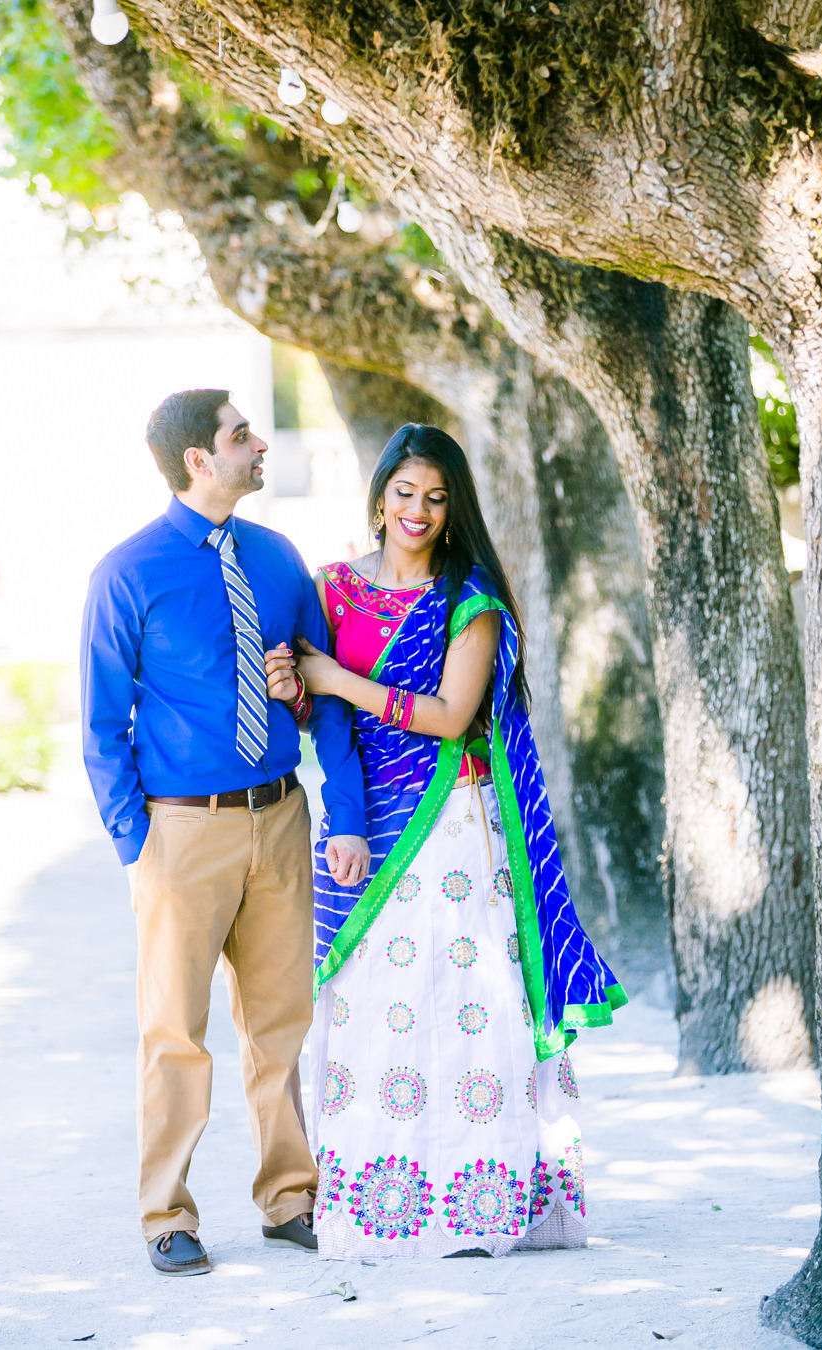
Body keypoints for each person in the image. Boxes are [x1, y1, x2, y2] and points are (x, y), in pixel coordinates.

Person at [266, 423, 626, 1259]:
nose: (418, 511)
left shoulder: (471, 602)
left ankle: (478, 1207)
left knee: (465, 1006)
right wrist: (301, 693)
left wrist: (334, 678)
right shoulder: (334, 590)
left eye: (435, 498)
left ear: (453, 507)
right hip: (368, 829)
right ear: (380, 493)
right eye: (405, 493)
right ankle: (377, 1206)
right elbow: (326, 724)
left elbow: (450, 719)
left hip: (457, 832)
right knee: (366, 1008)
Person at [80, 388, 369, 1276]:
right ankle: (166, 1213)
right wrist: (142, 844)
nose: (259, 445)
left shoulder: (279, 559)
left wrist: (342, 817)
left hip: (281, 818)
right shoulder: (126, 573)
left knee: (281, 1023)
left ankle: (290, 1201)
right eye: (242, 435)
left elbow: (324, 701)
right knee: (175, 1030)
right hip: (183, 835)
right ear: (199, 460)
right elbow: (100, 725)